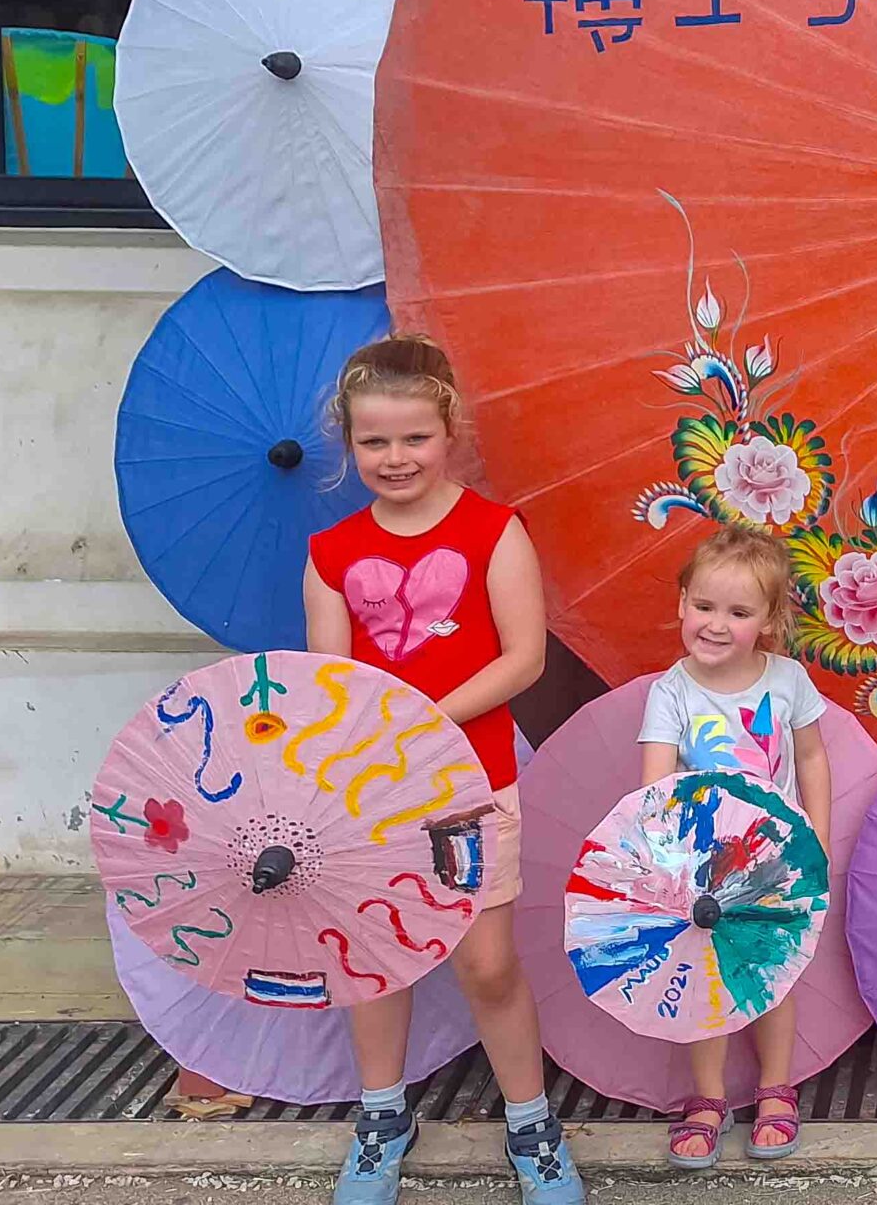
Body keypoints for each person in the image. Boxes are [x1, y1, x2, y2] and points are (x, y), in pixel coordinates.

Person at [303, 335, 584, 1205]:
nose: (395, 458)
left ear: (449, 428)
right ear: (349, 444)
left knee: (486, 964)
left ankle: (532, 1125)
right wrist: (369, 740)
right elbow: (333, 684)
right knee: (372, 956)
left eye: (414, 437)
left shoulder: (494, 532)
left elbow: (525, 657)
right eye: (375, 442)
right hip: (369, 794)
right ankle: (383, 1116)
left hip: (471, 786)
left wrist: (424, 721)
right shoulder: (330, 553)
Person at [638, 526, 834, 1168]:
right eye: (704, 606)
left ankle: (777, 1087)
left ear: (771, 620)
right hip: (699, 868)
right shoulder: (671, 691)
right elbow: (657, 781)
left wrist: (817, 838)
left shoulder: (787, 681)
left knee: (771, 975)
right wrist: (665, 856)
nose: (716, 624)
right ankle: (707, 1097)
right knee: (705, 978)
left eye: (739, 612)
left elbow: (810, 758)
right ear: (681, 604)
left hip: (774, 860)